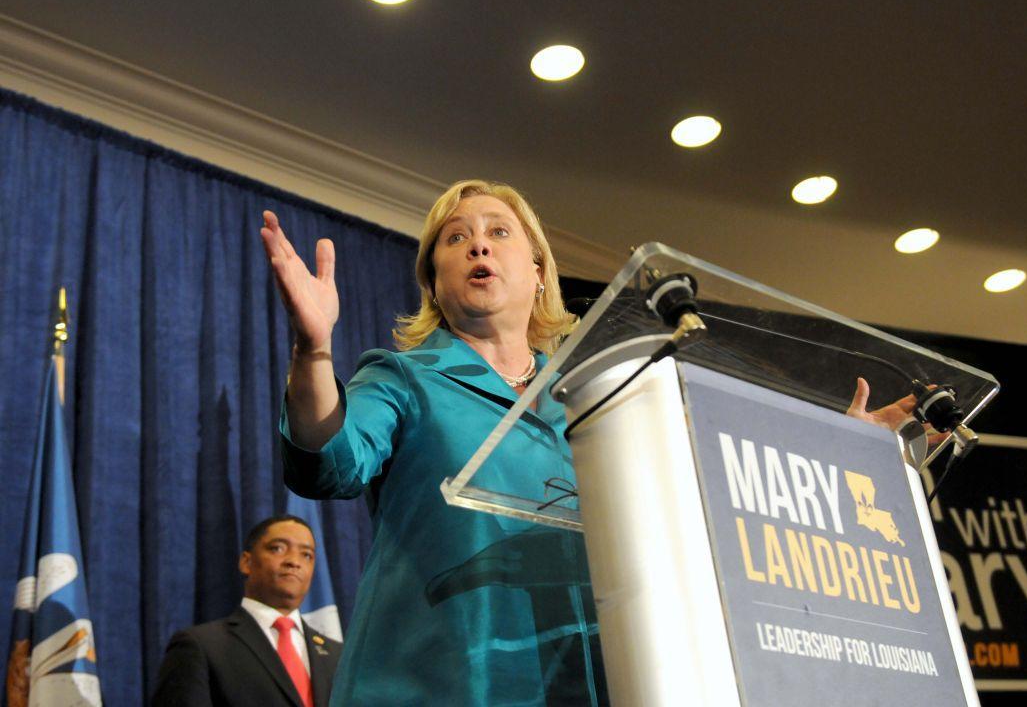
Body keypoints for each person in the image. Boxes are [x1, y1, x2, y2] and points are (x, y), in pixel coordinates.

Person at [259, 179, 933, 705]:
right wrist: (313, 352)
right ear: (434, 280)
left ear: (540, 272)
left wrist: (845, 451)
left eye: (499, 232)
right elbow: (330, 459)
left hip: (586, 680)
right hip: (442, 685)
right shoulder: (405, 377)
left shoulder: (599, 400)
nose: (479, 245)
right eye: (456, 239)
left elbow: (717, 497)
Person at [151, 515, 341, 707]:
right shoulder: (200, 645)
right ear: (246, 562)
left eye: (306, 554)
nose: (294, 561)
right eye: (278, 548)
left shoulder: (338, 654)